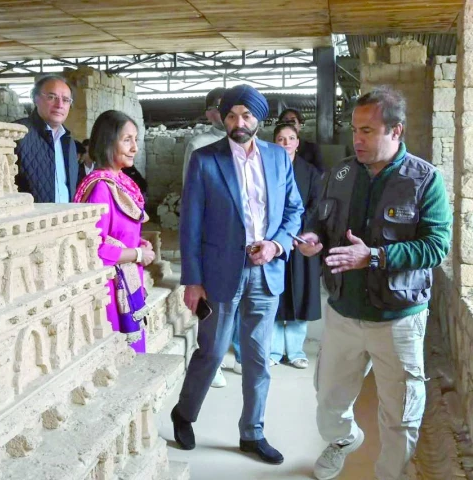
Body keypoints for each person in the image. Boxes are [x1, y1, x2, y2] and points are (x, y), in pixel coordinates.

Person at [297, 86, 452, 480]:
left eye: (367, 131)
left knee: (400, 415)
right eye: (354, 130)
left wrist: (376, 256)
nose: (357, 139)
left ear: (396, 131)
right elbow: (319, 220)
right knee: (328, 402)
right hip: (343, 313)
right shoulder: (340, 174)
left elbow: (436, 247)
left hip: (398, 319)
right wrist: (312, 237)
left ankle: (391, 475)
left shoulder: (425, 180)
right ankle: (343, 440)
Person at [171, 84, 304, 465]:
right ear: (223, 119)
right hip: (219, 272)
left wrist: (276, 245)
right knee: (212, 351)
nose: (238, 123)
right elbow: (190, 224)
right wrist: (192, 280)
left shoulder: (278, 158)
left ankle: (252, 432)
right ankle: (184, 414)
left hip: (266, 271)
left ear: (258, 119)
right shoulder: (205, 160)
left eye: (246, 116)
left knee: (259, 358)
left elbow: (294, 210)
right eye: (231, 116)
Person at [74, 110, 155, 353]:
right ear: (108, 142)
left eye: (135, 140)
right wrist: (137, 255)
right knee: (123, 355)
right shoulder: (100, 187)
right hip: (111, 291)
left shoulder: (122, 182)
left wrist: (138, 242)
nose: (134, 148)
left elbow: (118, 233)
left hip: (129, 279)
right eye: (127, 140)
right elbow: (94, 248)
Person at [182, 87, 241, 388]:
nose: (227, 114)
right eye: (220, 108)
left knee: (238, 303)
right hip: (212, 238)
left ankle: (234, 354)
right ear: (209, 113)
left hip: (240, 240)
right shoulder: (200, 145)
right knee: (212, 305)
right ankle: (211, 362)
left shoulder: (244, 142)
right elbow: (191, 196)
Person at [270, 123, 322, 369]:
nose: (286, 143)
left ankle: (296, 351)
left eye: (291, 138)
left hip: (301, 242)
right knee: (273, 294)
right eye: (281, 139)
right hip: (274, 242)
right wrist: (279, 236)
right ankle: (273, 351)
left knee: (300, 295)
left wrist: (297, 234)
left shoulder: (310, 172)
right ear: (274, 143)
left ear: (298, 142)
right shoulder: (267, 169)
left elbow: (315, 204)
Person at [14, 75, 78, 203]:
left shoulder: (68, 141)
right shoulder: (18, 134)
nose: (59, 105)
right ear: (35, 99)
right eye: (51, 97)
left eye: (65, 100)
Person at [182, 87, 227, 184]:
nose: (226, 112)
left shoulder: (247, 141)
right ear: (208, 114)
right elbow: (190, 186)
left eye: (230, 107)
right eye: (220, 107)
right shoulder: (198, 145)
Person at [278, 108, 325, 174]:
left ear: (299, 126)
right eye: (285, 121)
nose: (289, 124)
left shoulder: (312, 148)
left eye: (292, 121)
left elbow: (320, 172)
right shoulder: (274, 148)